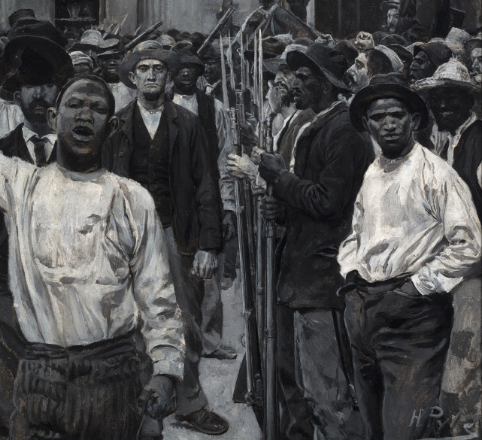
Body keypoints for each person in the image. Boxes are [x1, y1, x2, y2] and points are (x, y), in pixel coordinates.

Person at [0, 74, 185, 440]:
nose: (84, 115)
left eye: (97, 109)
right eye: (74, 105)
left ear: (111, 126)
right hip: (38, 380)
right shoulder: (21, 184)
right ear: (52, 118)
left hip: (112, 380)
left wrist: (165, 371)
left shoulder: (132, 198)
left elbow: (159, 295)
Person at [339, 73, 481, 440]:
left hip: (414, 320)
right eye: (378, 117)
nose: (388, 125)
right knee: (372, 422)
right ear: (367, 124)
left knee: (404, 428)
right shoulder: (372, 172)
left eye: (397, 115)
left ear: (414, 120)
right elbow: (356, 233)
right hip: (365, 310)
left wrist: (415, 288)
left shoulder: (437, 174)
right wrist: (352, 277)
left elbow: (469, 245)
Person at [105, 42, 229, 438]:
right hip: (128, 237)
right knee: (134, 322)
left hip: (176, 233)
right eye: (144, 69)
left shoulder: (186, 124)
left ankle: (191, 402)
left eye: (159, 68)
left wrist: (209, 244)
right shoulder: (118, 125)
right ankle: (147, 409)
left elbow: (206, 184)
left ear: (169, 77)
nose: (152, 75)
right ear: (133, 78)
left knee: (185, 320)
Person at [258, 43, 374, 440]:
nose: (296, 84)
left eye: (306, 77)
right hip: (305, 272)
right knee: (311, 385)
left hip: (324, 278)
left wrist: (279, 178)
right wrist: (285, 210)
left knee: (330, 392)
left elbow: (327, 202)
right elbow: (310, 201)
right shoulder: (318, 122)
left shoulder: (344, 130)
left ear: (327, 85)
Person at [0, 31, 73, 440]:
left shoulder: (88, 153)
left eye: (49, 84)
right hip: (9, 289)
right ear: (16, 96)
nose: (40, 94)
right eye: (29, 85)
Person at [415, 59, 482, 435]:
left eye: (450, 99)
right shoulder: (446, 141)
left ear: (467, 102)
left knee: (466, 360)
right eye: (436, 100)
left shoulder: (478, 141)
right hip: (449, 269)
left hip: (473, 272)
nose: (441, 107)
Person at [171, 43, 237, 360]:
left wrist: (228, 208)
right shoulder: (160, 106)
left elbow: (226, 159)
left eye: (192, 68)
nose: (186, 73)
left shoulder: (214, 108)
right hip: (171, 200)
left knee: (210, 273)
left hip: (206, 198)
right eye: (180, 67)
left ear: (200, 72)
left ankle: (209, 339)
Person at [97, 46, 135, 112]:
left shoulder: (133, 87)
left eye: (116, 58)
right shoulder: (95, 87)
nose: (112, 63)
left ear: (123, 60)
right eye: (106, 58)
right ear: (99, 62)